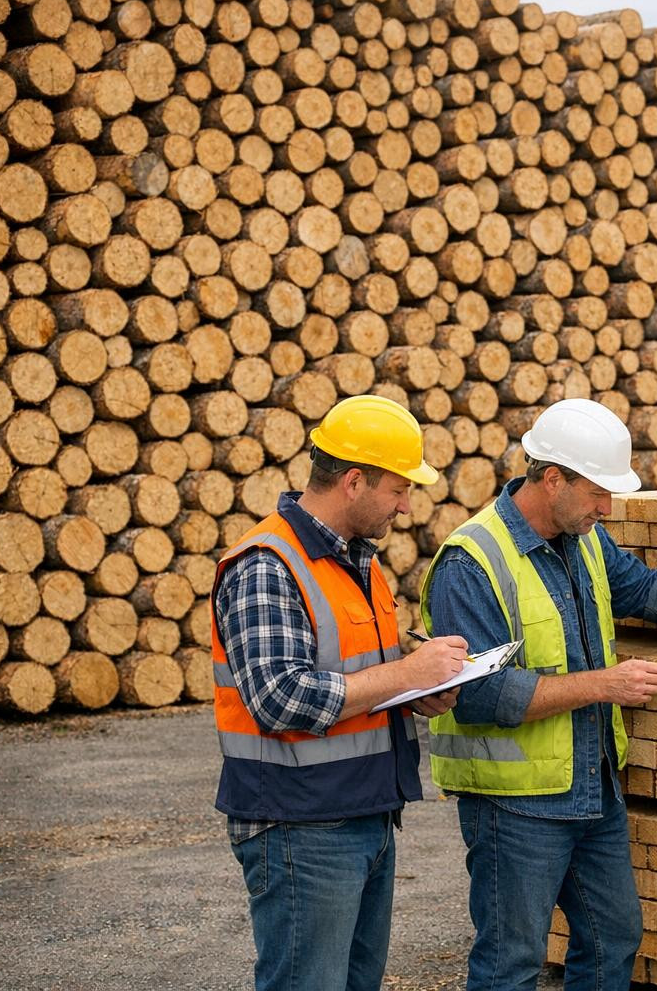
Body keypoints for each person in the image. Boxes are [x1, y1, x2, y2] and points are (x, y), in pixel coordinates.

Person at [420, 398, 657, 991]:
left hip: (590, 785)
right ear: (552, 480)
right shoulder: (472, 562)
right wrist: (606, 685)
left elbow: (647, 591)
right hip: (516, 803)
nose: (608, 506)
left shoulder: (585, 541)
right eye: (599, 492)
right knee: (510, 961)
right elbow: (478, 697)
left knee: (612, 937)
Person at [212, 394, 472, 991]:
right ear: (354, 481)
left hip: (362, 812)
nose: (406, 506)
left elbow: (356, 678)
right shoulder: (267, 564)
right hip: (301, 825)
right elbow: (279, 698)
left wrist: (417, 690)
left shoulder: (356, 561)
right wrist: (408, 674)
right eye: (398, 488)